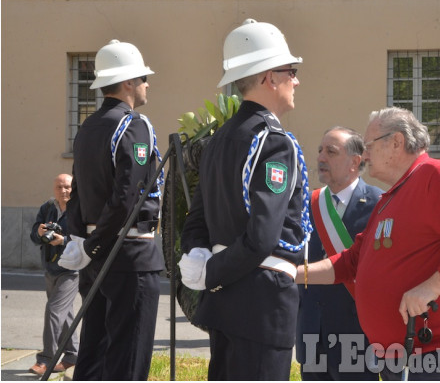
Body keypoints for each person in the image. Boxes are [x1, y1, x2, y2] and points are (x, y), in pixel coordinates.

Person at [296, 107, 440, 381]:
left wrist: (431, 288)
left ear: (396, 142)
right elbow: (351, 262)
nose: (366, 155)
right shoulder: (391, 197)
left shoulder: (435, 175)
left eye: (369, 146)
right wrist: (294, 274)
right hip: (413, 355)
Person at [178, 19, 311, 381]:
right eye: (291, 71)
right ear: (269, 77)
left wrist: (199, 259)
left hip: (227, 301)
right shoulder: (274, 141)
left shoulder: (220, 138)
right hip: (263, 299)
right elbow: (263, 236)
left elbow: (196, 221)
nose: (296, 80)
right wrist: (211, 274)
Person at [59, 40, 164, 380]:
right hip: (129, 254)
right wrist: (95, 245)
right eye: (144, 77)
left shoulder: (87, 127)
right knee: (127, 361)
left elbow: (77, 195)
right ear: (129, 82)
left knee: (95, 354)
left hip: (96, 255)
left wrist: (83, 244)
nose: (148, 84)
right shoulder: (135, 125)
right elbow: (127, 199)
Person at [296, 126, 383, 380]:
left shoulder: (379, 204)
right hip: (312, 331)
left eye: (331, 152)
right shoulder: (307, 204)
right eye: (320, 150)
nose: (321, 157)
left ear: (354, 162)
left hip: (357, 334)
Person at [28, 174, 78, 375]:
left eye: (67, 187)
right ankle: (72, 354)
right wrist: (40, 234)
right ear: (54, 189)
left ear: (73, 188)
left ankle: (46, 359)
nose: (63, 191)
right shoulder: (47, 207)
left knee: (54, 310)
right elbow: (34, 236)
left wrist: (63, 240)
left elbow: (86, 237)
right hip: (51, 267)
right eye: (59, 187)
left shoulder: (80, 209)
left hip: (72, 268)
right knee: (64, 313)